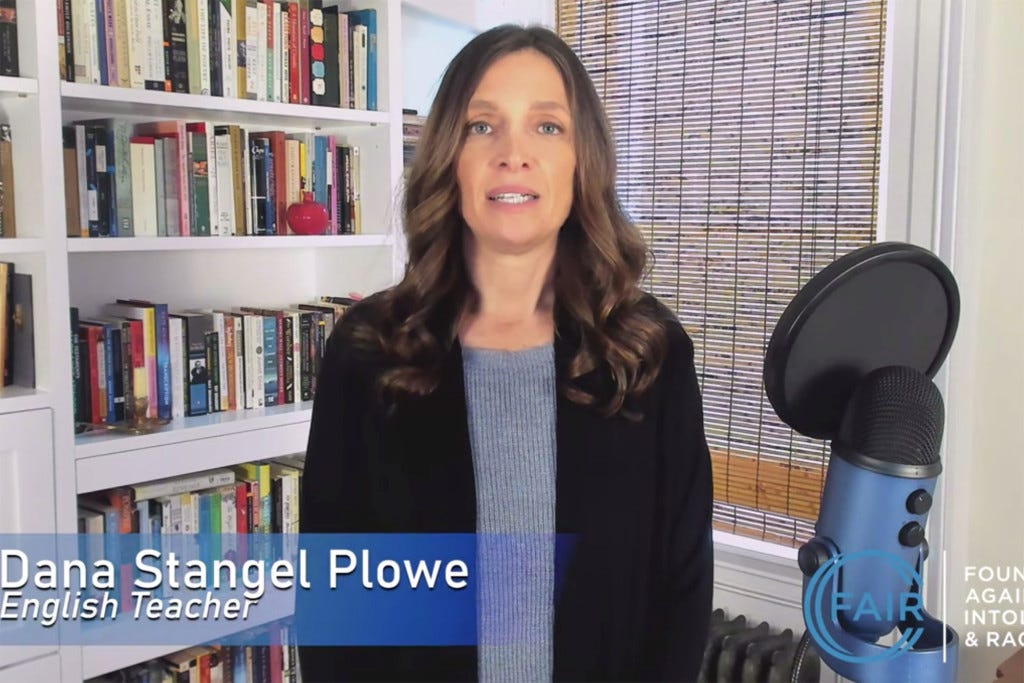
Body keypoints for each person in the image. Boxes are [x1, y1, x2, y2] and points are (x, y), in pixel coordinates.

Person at [299, 24, 713, 682]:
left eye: (547, 127)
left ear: (584, 162)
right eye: (481, 126)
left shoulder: (648, 353)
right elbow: (337, 612)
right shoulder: (367, 351)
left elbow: (682, 592)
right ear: (448, 157)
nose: (512, 153)